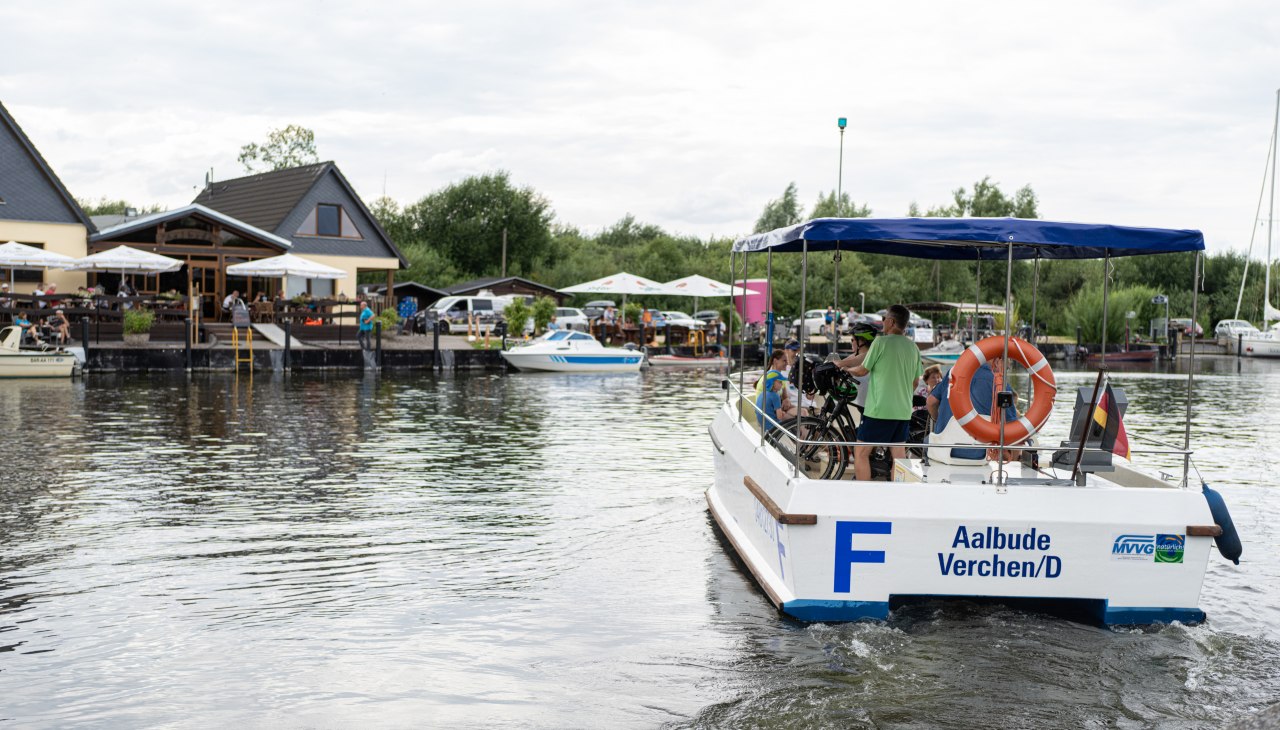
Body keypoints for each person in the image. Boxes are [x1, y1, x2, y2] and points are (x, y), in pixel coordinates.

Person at [847, 304, 923, 480]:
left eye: (884, 319)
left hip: (879, 410)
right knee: (899, 457)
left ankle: (864, 493)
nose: (882, 322)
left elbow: (862, 370)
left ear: (891, 322)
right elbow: (915, 382)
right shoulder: (913, 348)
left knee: (861, 453)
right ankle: (897, 493)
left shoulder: (880, 342)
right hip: (903, 411)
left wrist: (845, 369)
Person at [927, 357, 1019, 461]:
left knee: (926, 440)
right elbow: (1013, 428)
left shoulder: (953, 372)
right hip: (981, 457)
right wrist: (1015, 461)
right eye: (1006, 369)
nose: (1004, 373)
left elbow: (931, 402)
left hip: (943, 453)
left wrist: (939, 420)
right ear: (997, 361)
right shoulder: (1000, 385)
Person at [755, 368, 794, 432]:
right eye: (780, 382)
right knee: (791, 422)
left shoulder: (762, 393)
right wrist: (782, 413)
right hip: (772, 427)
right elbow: (779, 417)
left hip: (763, 424)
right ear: (772, 382)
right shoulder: (775, 396)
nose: (782, 384)